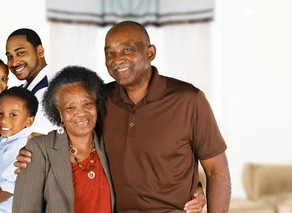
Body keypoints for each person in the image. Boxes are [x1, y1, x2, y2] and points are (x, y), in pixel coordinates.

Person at [15, 21, 229, 212]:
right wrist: (37, 150)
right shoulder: (102, 100)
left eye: (128, 49)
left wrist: (196, 190)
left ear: (150, 52)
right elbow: (76, 128)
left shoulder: (189, 99)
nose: (117, 60)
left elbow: (216, 171)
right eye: (110, 53)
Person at [12, 66, 115, 213]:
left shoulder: (107, 144)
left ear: (96, 105)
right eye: (70, 108)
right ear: (59, 113)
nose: (81, 113)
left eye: (87, 104)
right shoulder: (39, 149)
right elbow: (25, 209)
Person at [5, 28, 56, 134]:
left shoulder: (46, 93)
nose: (14, 63)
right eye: (10, 56)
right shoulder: (27, 87)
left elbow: (33, 143)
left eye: (20, 53)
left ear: (40, 51)